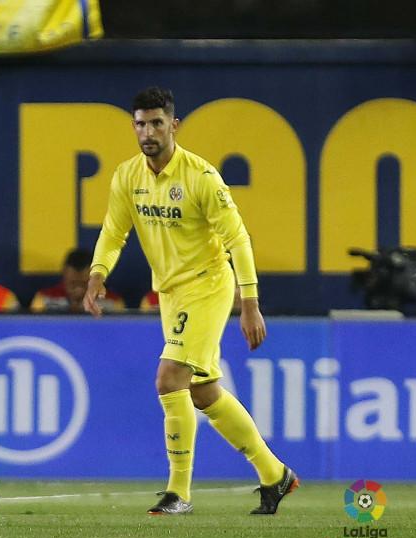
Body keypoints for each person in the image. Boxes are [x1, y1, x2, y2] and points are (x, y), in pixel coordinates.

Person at [84, 87, 297, 515]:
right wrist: (97, 274)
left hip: (208, 284)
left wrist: (250, 302)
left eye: (157, 123)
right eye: (141, 123)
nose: (148, 131)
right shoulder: (128, 177)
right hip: (170, 291)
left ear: (173, 125)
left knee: (169, 379)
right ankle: (275, 475)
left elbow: (237, 237)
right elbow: (113, 231)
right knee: (202, 390)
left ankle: (178, 492)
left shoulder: (201, 177)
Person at [30, 248, 125, 313]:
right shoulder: (44, 299)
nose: (78, 290)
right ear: (64, 276)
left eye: (84, 284)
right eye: (72, 284)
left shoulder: (112, 302)